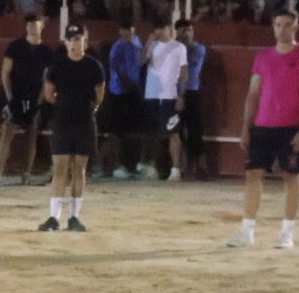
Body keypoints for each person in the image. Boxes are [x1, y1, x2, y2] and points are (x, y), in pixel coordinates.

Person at [228, 11, 299, 249]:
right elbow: (252, 95)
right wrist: (246, 128)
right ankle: (247, 231)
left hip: (291, 126)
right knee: (253, 175)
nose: (282, 29)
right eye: (278, 24)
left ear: (296, 27)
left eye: (287, 25)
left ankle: (286, 233)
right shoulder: (263, 57)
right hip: (263, 124)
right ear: (273, 26)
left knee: (291, 178)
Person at [38, 25, 104, 232]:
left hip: (82, 120)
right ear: (66, 42)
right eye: (72, 39)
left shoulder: (94, 66)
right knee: (60, 167)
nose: (75, 43)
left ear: (85, 40)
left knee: (78, 168)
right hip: (64, 120)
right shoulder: (57, 66)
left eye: (79, 39)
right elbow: (48, 95)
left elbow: (99, 96)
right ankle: (55, 216)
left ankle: (73, 216)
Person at [0, 13, 52, 187]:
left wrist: (40, 99)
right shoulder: (15, 47)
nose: (32, 27)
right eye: (30, 25)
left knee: (32, 135)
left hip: (34, 97)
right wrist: (11, 98)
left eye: (35, 24)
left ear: (42, 26)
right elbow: (5, 73)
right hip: (16, 96)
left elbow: (46, 78)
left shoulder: (46, 51)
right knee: (7, 132)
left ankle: (26, 173)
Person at [140, 22, 188, 180]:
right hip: (152, 95)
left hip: (169, 95)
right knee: (153, 132)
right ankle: (153, 166)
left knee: (172, 132)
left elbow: (184, 72)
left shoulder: (179, 47)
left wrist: (180, 95)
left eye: (162, 28)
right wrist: (148, 43)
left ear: (169, 30)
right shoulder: (152, 46)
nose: (159, 32)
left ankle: (175, 169)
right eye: (157, 28)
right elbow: (140, 62)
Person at [102, 20, 143, 179]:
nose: (127, 33)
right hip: (119, 93)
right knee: (118, 132)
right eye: (124, 30)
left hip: (132, 92)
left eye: (130, 30)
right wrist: (132, 86)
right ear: (120, 31)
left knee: (130, 132)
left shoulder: (137, 42)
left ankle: (127, 166)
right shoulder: (117, 47)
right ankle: (115, 165)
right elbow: (117, 69)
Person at [176, 19, 208, 178]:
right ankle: (182, 166)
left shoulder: (198, 49)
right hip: (174, 94)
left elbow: (187, 67)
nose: (187, 34)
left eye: (189, 30)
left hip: (192, 93)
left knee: (196, 130)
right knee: (177, 131)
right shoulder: (174, 49)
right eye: (183, 31)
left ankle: (199, 167)